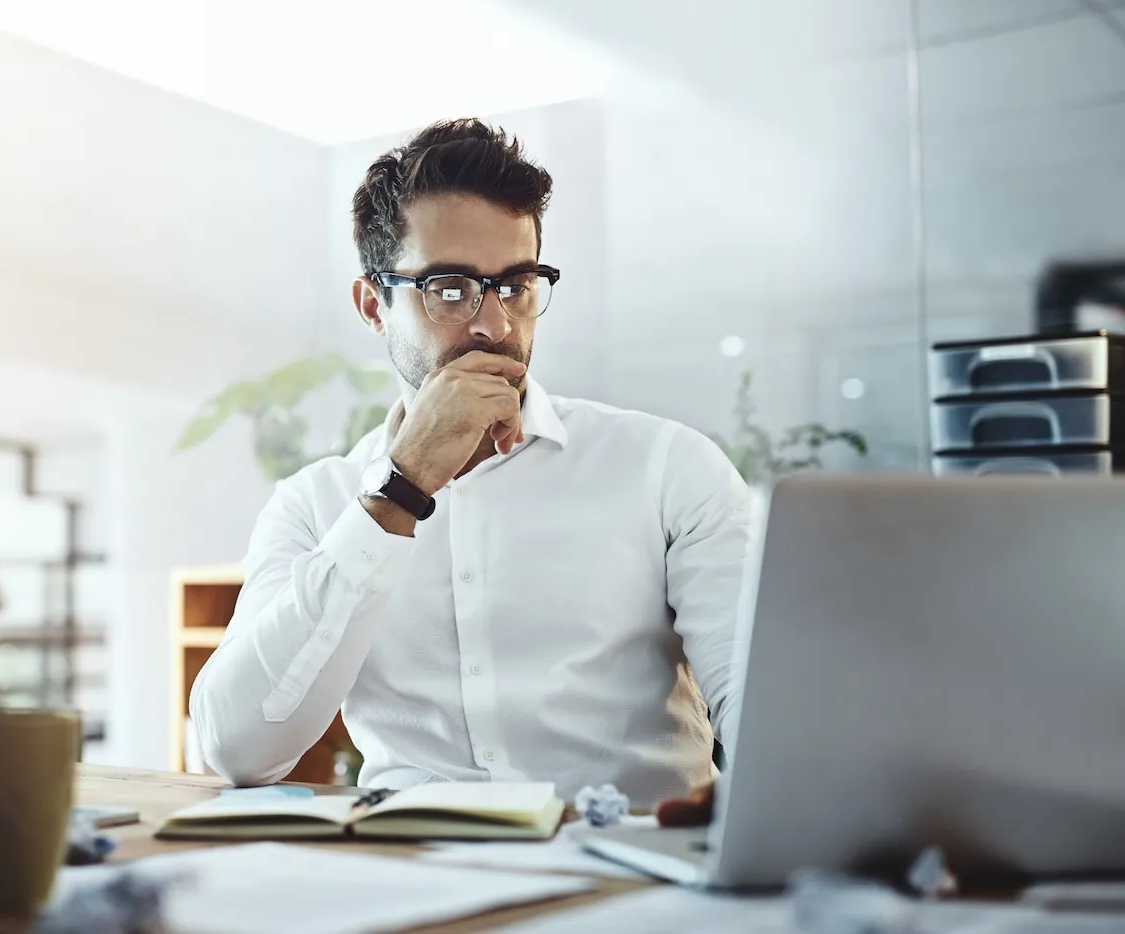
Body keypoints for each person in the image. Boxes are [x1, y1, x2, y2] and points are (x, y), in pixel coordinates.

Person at [191, 118, 750, 815]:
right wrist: (400, 488)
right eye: (450, 289)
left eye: (517, 284)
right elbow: (238, 747)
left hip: (622, 871)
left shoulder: (666, 467)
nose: (495, 326)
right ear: (373, 306)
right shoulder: (315, 503)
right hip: (411, 878)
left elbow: (763, 712)